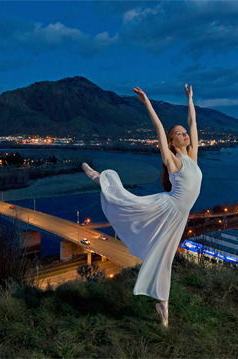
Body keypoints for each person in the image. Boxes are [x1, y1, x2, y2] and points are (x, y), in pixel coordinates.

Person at [82, 84, 201, 327]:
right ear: (171, 141)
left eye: (183, 132)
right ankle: (99, 177)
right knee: (126, 200)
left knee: (164, 259)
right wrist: (147, 102)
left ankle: (162, 306)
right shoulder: (173, 161)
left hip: (180, 217)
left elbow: (193, 122)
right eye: (178, 133)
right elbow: (158, 127)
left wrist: (190, 99)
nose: (184, 134)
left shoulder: (193, 156)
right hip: (168, 208)